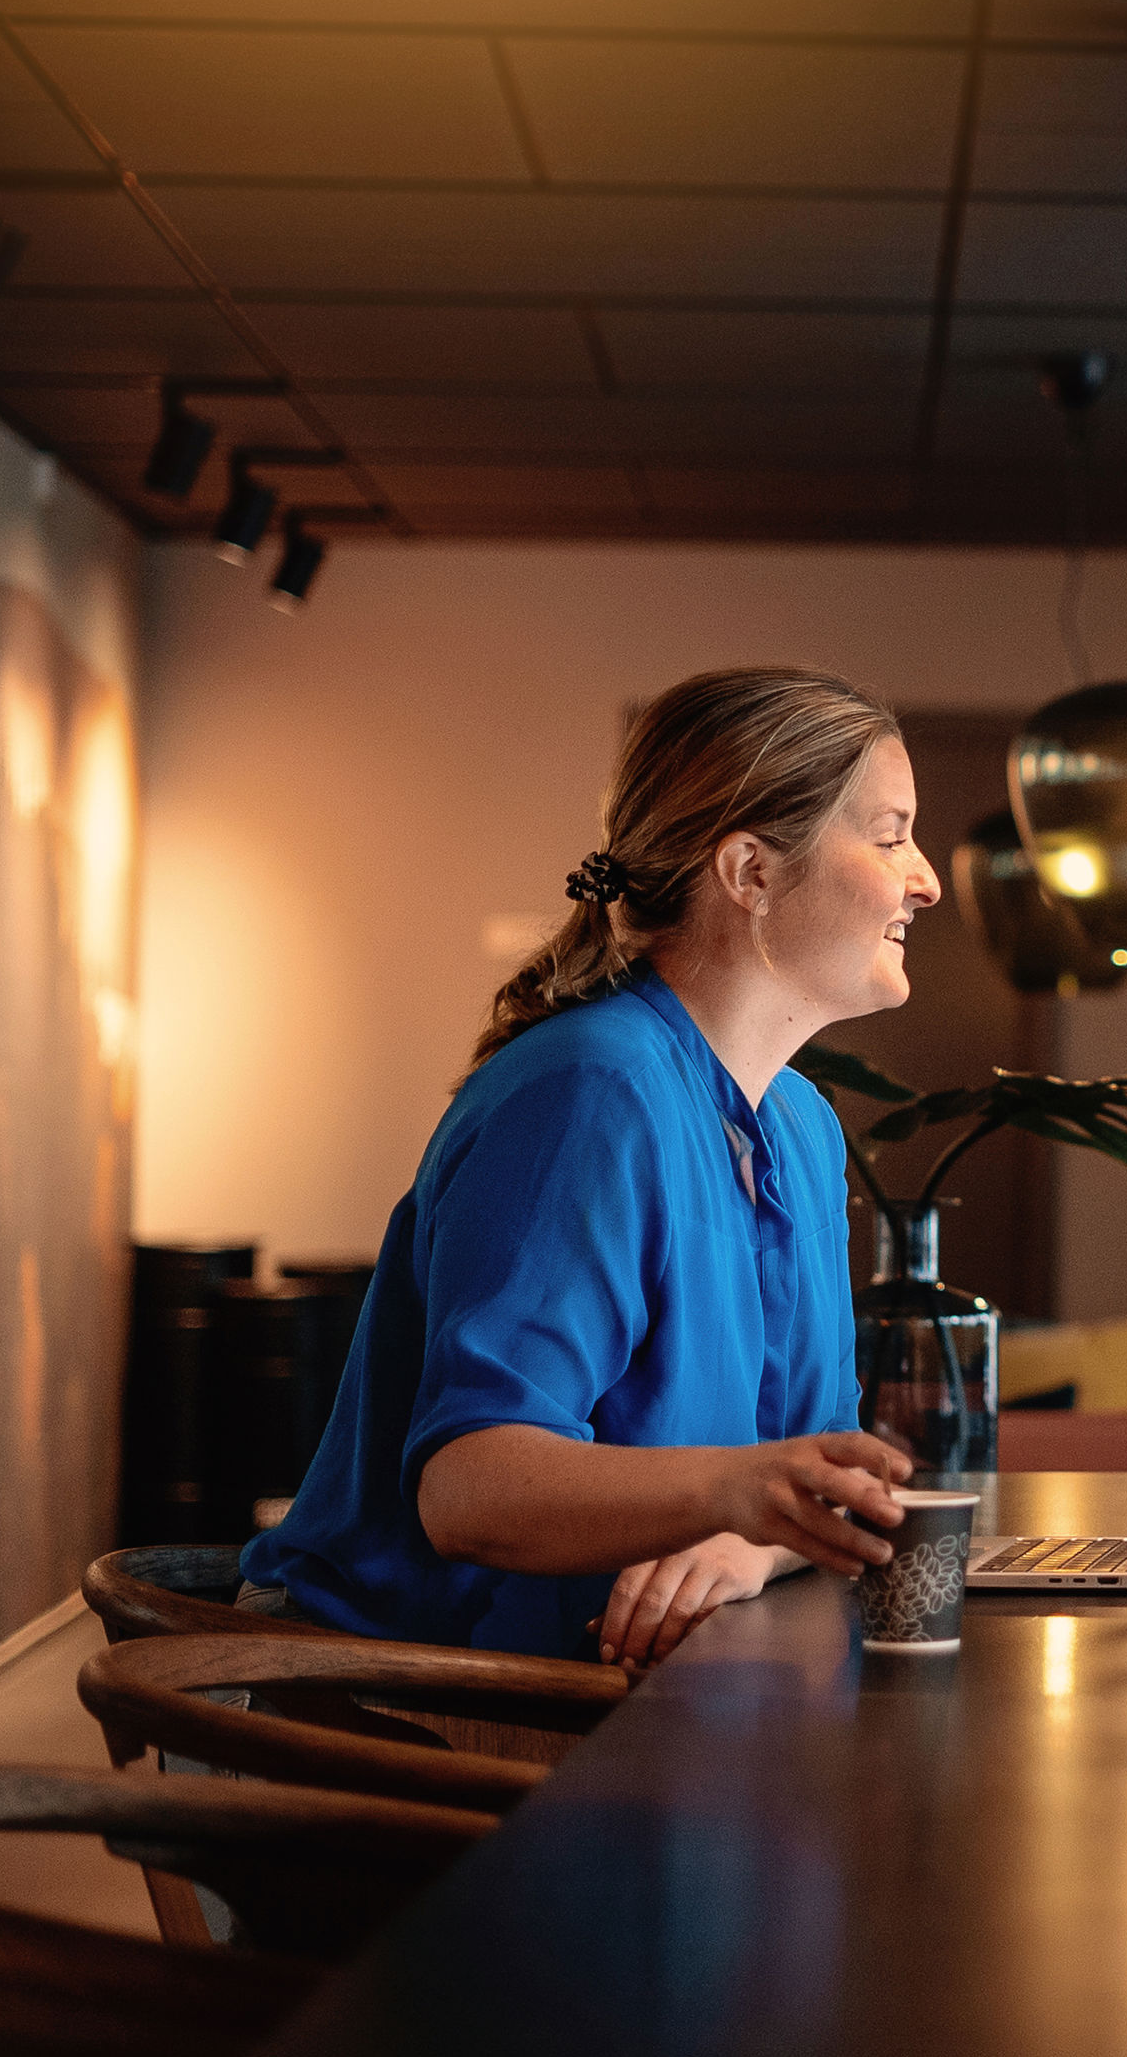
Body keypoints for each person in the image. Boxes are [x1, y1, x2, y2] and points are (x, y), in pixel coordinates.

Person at [237, 667, 936, 1667]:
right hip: (415, 1700)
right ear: (750, 872)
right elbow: (471, 1489)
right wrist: (735, 1498)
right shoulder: (590, 1091)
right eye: (889, 834)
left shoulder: (801, 1125)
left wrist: (751, 1542)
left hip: (617, 1688)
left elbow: (806, 1488)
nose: (926, 878)